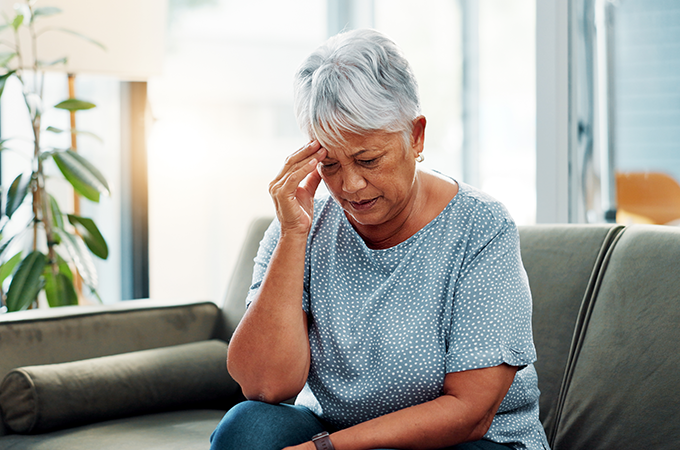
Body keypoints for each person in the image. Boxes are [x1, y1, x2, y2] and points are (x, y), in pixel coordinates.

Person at [210, 29, 549, 450]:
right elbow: (264, 386)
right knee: (249, 427)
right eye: (329, 164)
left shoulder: (480, 227)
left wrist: (326, 448)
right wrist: (294, 237)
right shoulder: (299, 224)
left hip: (469, 444)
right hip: (342, 432)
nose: (350, 185)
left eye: (368, 159)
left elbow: (471, 412)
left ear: (416, 136)